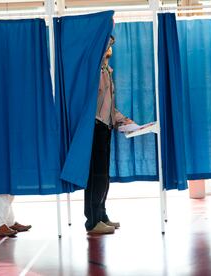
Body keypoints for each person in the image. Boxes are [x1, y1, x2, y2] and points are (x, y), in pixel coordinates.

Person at [85, 35, 134, 235]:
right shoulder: (95, 72)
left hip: (105, 127)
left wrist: (124, 120)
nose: (110, 47)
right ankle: (92, 221)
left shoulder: (107, 70)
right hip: (95, 127)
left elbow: (109, 107)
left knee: (103, 176)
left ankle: (102, 214)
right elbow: (93, 104)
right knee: (95, 176)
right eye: (108, 44)